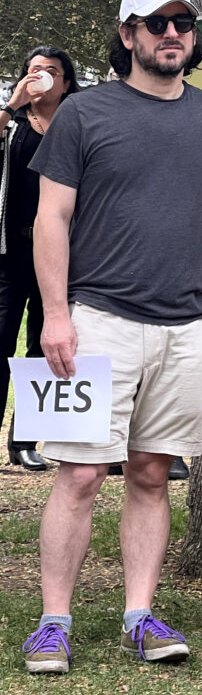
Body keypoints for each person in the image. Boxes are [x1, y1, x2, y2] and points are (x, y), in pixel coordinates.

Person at [21, 0, 202, 674]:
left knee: (152, 473)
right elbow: (50, 217)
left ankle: (140, 616)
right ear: (128, 35)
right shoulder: (83, 114)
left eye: (182, 23)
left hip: (188, 327)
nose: (172, 35)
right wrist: (55, 316)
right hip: (98, 323)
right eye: (156, 24)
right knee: (81, 474)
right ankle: (53, 623)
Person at [0, 46, 80, 471]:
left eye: (51, 71)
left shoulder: (76, 125)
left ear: (65, 84)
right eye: (34, 70)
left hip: (57, 253)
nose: (42, 76)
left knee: (42, 344)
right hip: (10, 252)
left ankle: (24, 441)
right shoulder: (13, 123)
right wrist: (13, 104)